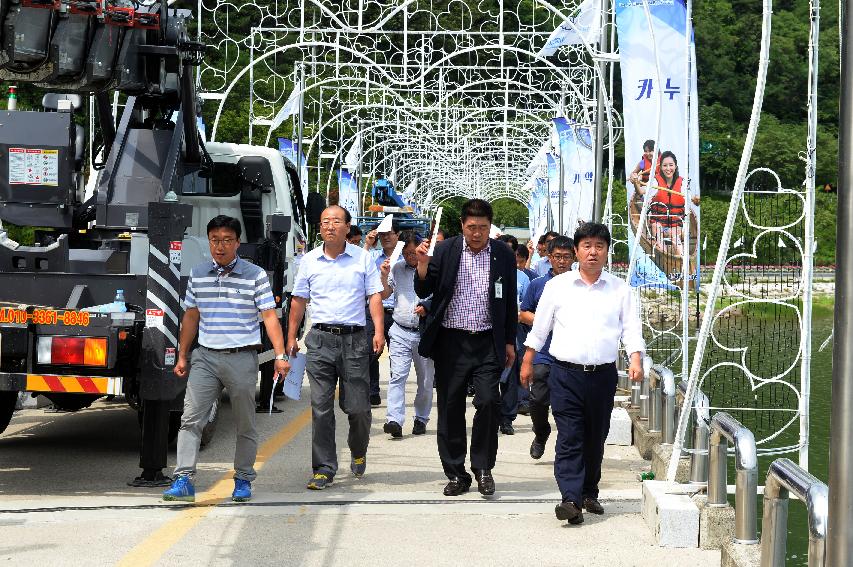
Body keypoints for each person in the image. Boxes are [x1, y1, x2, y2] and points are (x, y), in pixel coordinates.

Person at [521, 223, 645, 525]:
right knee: (570, 435)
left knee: (595, 436)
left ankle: (589, 491)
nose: (593, 252)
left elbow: (631, 328)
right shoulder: (557, 287)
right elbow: (540, 328)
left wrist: (636, 359)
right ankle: (570, 499)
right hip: (565, 374)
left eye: (599, 246)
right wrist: (528, 359)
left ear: (606, 252)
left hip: (602, 376)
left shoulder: (620, 290)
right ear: (576, 251)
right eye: (587, 245)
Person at [163, 215, 290, 503]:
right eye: (215, 240)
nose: (220, 246)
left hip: (241, 357)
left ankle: (243, 479)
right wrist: (183, 355)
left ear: (237, 243)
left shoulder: (254, 275)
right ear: (208, 242)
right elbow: (191, 317)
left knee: (245, 424)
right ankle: (183, 480)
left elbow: (269, 317)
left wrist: (280, 354)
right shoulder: (197, 274)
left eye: (227, 240)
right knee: (190, 420)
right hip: (205, 357)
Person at [415, 198, 517, 497]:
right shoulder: (445, 251)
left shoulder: (502, 254)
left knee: (488, 401)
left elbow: (508, 301)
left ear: (490, 227)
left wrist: (509, 341)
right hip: (451, 341)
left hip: (487, 340)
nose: (477, 233)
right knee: (450, 407)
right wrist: (422, 266)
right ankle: (456, 473)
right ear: (462, 225)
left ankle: (483, 467)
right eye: (471, 227)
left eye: (483, 228)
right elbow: (425, 289)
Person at [287, 205, 386, 490]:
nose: (329, 226)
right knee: (320, 407)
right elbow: (298, 301)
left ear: (347, 227)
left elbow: (374, 297)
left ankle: (358, 449)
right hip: (320, 340)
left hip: (355, 340)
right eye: (325, 222)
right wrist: (291, 337)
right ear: (319, 227)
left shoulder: (362, 258)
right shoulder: (309, 260)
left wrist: (378, 331)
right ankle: (324, 467)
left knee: (357, 408)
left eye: (336, 221)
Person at [518, 236, 574, 460]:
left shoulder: (580, 284)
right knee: (539, 398)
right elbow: (523, 314)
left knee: (567, 404)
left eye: (566, 257)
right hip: (543, 351)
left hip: (571, 353)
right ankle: (540, 433)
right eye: (557, 257)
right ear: (549, 258)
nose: (562, 261)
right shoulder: (538, 284)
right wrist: (547, 320)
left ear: (574, 258)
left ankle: (566, 449)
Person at [379, 230, 435, 437]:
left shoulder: (431, 268)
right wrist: (384, 276)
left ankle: (421, 417)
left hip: (424, 333)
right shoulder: (396, 268)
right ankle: (394, 419)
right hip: (400, 330)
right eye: (407, 253)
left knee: (425, 380)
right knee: (398, 376)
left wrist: (427, 307)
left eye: (414, 252)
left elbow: (441, 296)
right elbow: (385, 293)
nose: (411, 257)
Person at [363, 218, 400, 406]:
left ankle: (395, 392)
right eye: (382, 234)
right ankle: (372, 392)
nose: (386, 237)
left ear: (397, 235)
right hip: (375, 311)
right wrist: (367, 244)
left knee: (397, 357)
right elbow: (357, 266)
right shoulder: (372, 256)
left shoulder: (405, 257)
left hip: (398, 313)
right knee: (371, 352)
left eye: (389, 233)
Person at [638, 150, 700, 257]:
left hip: (676, 224)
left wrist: (695, 200)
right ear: (660, 167)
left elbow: (691, 201)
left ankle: (680, 262)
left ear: (675, 166)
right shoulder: (655, 182)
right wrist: (635, 182)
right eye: (665, 165)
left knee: (674, 235)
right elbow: (640, 192)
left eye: (671, 165)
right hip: (658, 223)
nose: (668, 169)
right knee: (658, 229)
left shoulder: (683, 183)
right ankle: (665, 258)